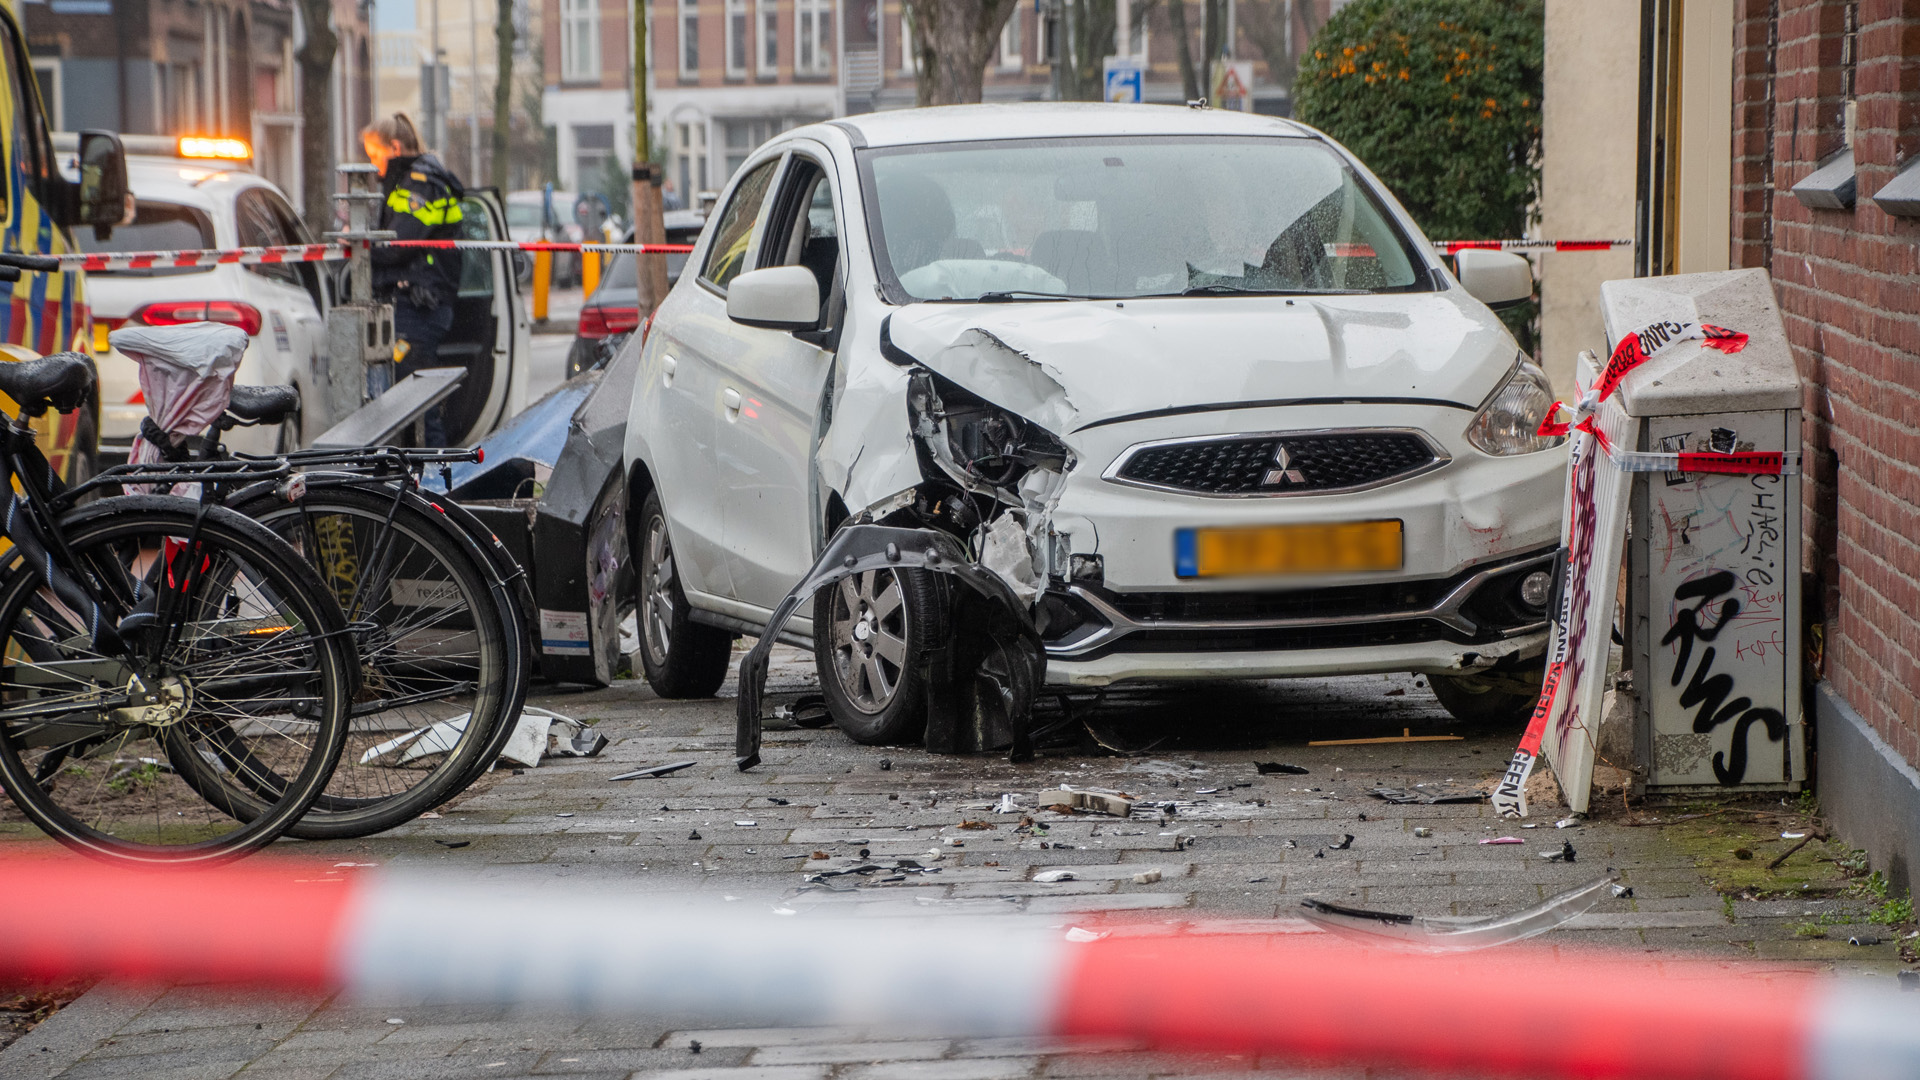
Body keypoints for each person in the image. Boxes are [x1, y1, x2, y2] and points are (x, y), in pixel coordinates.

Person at [362, 113, 464, 444]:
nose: (373, 166)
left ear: (393, 147)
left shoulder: (420, 183)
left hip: (421, 306)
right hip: (416, 303)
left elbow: (398, 245)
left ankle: (432, 478)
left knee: (418, 403)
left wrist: (361, 248)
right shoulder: (412, 180)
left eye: (375, 156)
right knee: (411, 400)